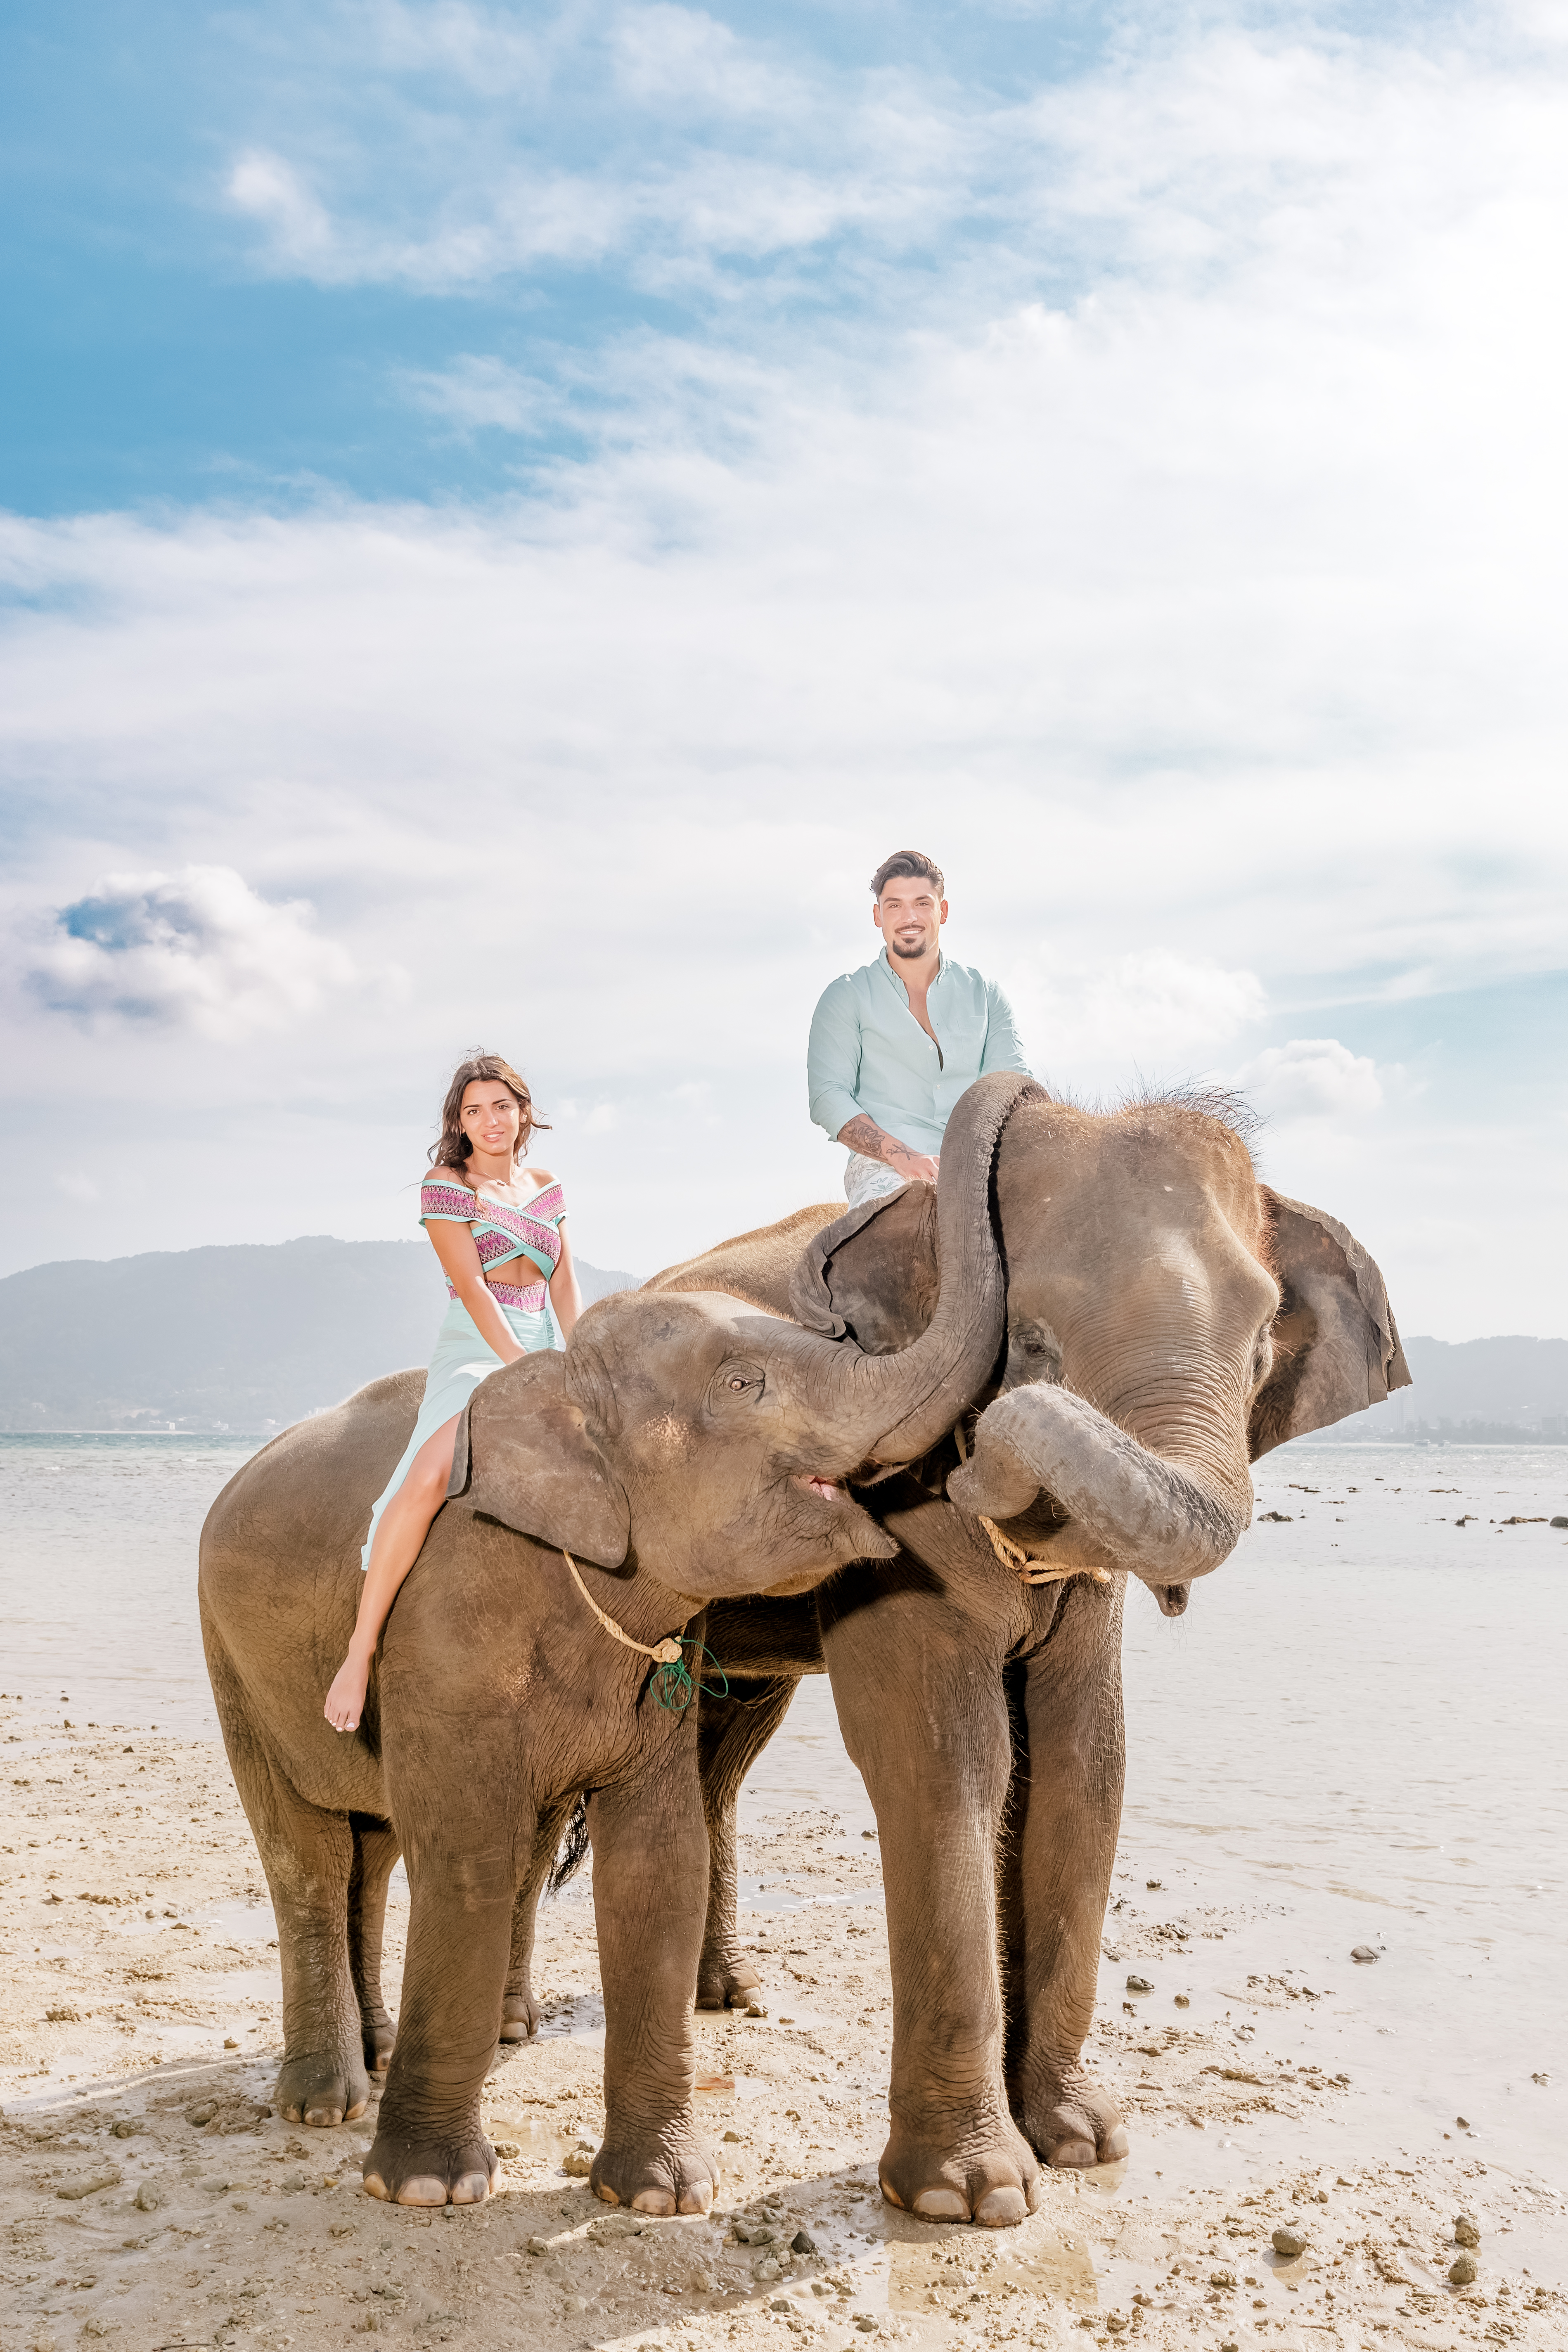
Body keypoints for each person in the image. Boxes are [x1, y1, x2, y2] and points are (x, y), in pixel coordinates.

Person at [324, 1052, 585, 1733]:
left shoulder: (548, 1184)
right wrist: (519, 1370)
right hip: (477, 1344)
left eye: (500, 1105)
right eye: (473, 1110)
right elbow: (471, 1287)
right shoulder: (446, 1184)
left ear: (523, 1111)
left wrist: (579, 1360)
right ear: (460, 1123)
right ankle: (361, 1648)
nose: (489, 1120)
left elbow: (563, 1284)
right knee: (432, 1471)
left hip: (544, 1336)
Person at [807, 849, 1031, 1207]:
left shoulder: (986, 996)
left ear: (942, 911)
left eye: (922, 903)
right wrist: (903, 1157)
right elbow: (827, 1097)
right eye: (894, 905)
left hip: (979, 1166)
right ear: (878, 915)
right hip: (883, 1170)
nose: (908, 917)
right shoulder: (845, 997)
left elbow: (1012, 1088)